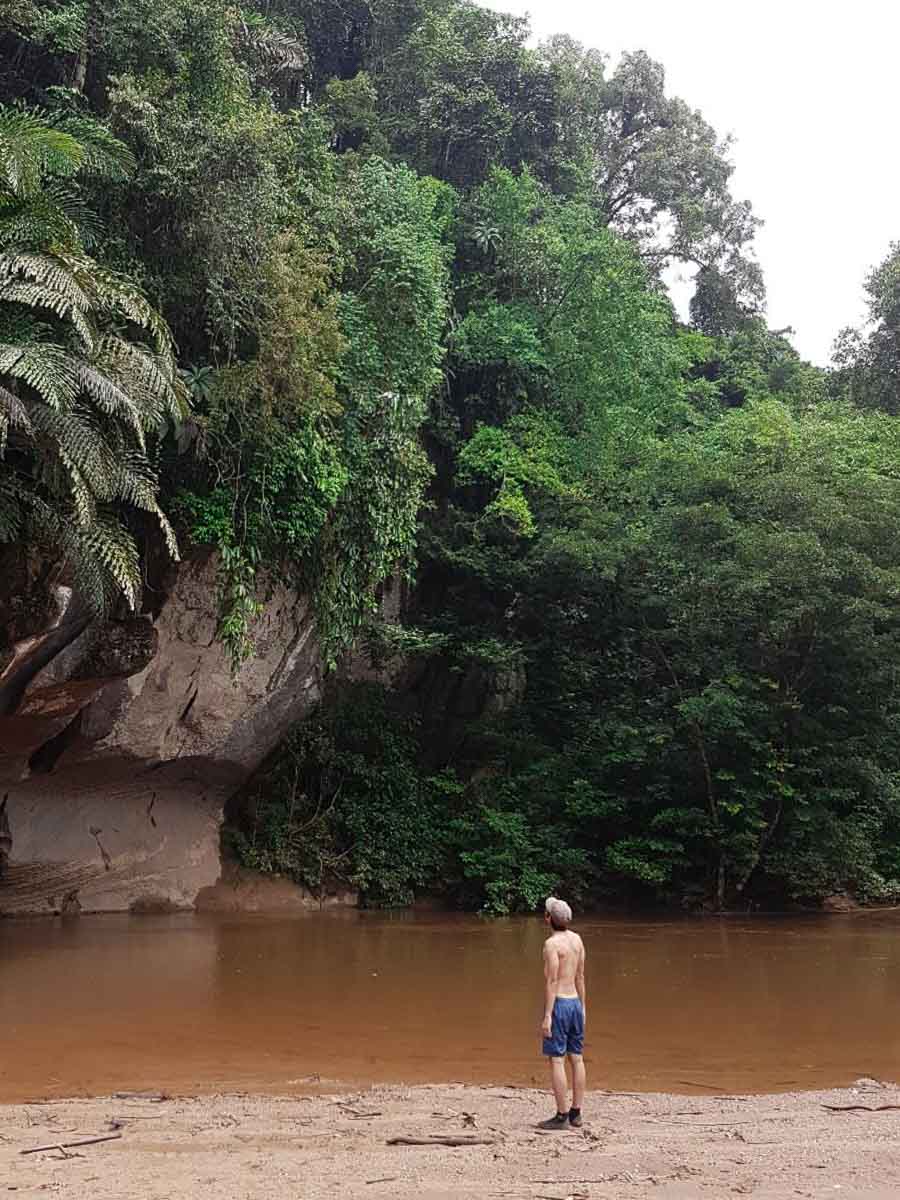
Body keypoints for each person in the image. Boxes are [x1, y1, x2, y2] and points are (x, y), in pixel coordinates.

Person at [539, 895, 586, 1129]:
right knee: (576, 1058)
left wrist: (548, 1015)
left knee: (556, 1059)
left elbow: (552, 980)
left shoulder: (551, 945)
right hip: (576, 1002)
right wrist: (583, 1008)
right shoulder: (577, 940)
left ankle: (561, 1115)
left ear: (548, 919)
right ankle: (576, 1113)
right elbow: (580, 976)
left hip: (560, 1004)